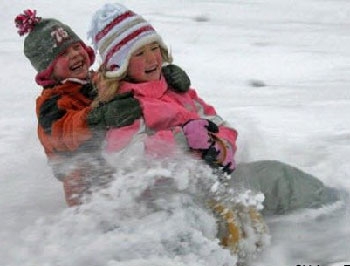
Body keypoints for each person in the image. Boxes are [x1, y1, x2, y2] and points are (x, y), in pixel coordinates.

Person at [15, 9, 192, 207]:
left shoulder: (99, 79)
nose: (74, 55)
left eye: (76, 47)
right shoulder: (51, 102)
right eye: (64, 54)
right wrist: (97, 118)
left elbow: (131, 79)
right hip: (88, 187)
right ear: (48, 68)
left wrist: (165, 77)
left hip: (122, 164)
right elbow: (62, 132)